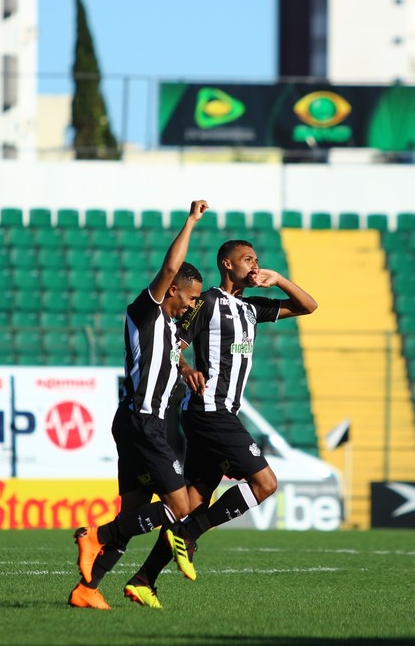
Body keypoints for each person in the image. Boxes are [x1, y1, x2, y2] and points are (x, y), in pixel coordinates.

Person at [123, 238, 318, 608]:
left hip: (222, 414)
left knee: (195, 500)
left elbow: (309, 306)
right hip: (209, 412)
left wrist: (277, 279)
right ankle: (190, 534)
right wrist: (186, 369)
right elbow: (173, 342)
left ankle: (144, 579)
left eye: (257, 260)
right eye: (248, 260)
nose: (255, 265)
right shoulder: (207, 302)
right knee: (265, 484)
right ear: (227, 265)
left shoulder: (251, 309)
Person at [68, 200, 208, 611]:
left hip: (137, 424)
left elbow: (171, 348)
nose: (190, 304)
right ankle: (95, 536)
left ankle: (87, 588)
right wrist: (191, 222)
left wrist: (183, 366)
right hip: (144, 424)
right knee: (181, 508)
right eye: (189, 296)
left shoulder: (166, 326)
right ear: (174, 289)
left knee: (135, 514)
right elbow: (168, 270)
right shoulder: (145, 311)